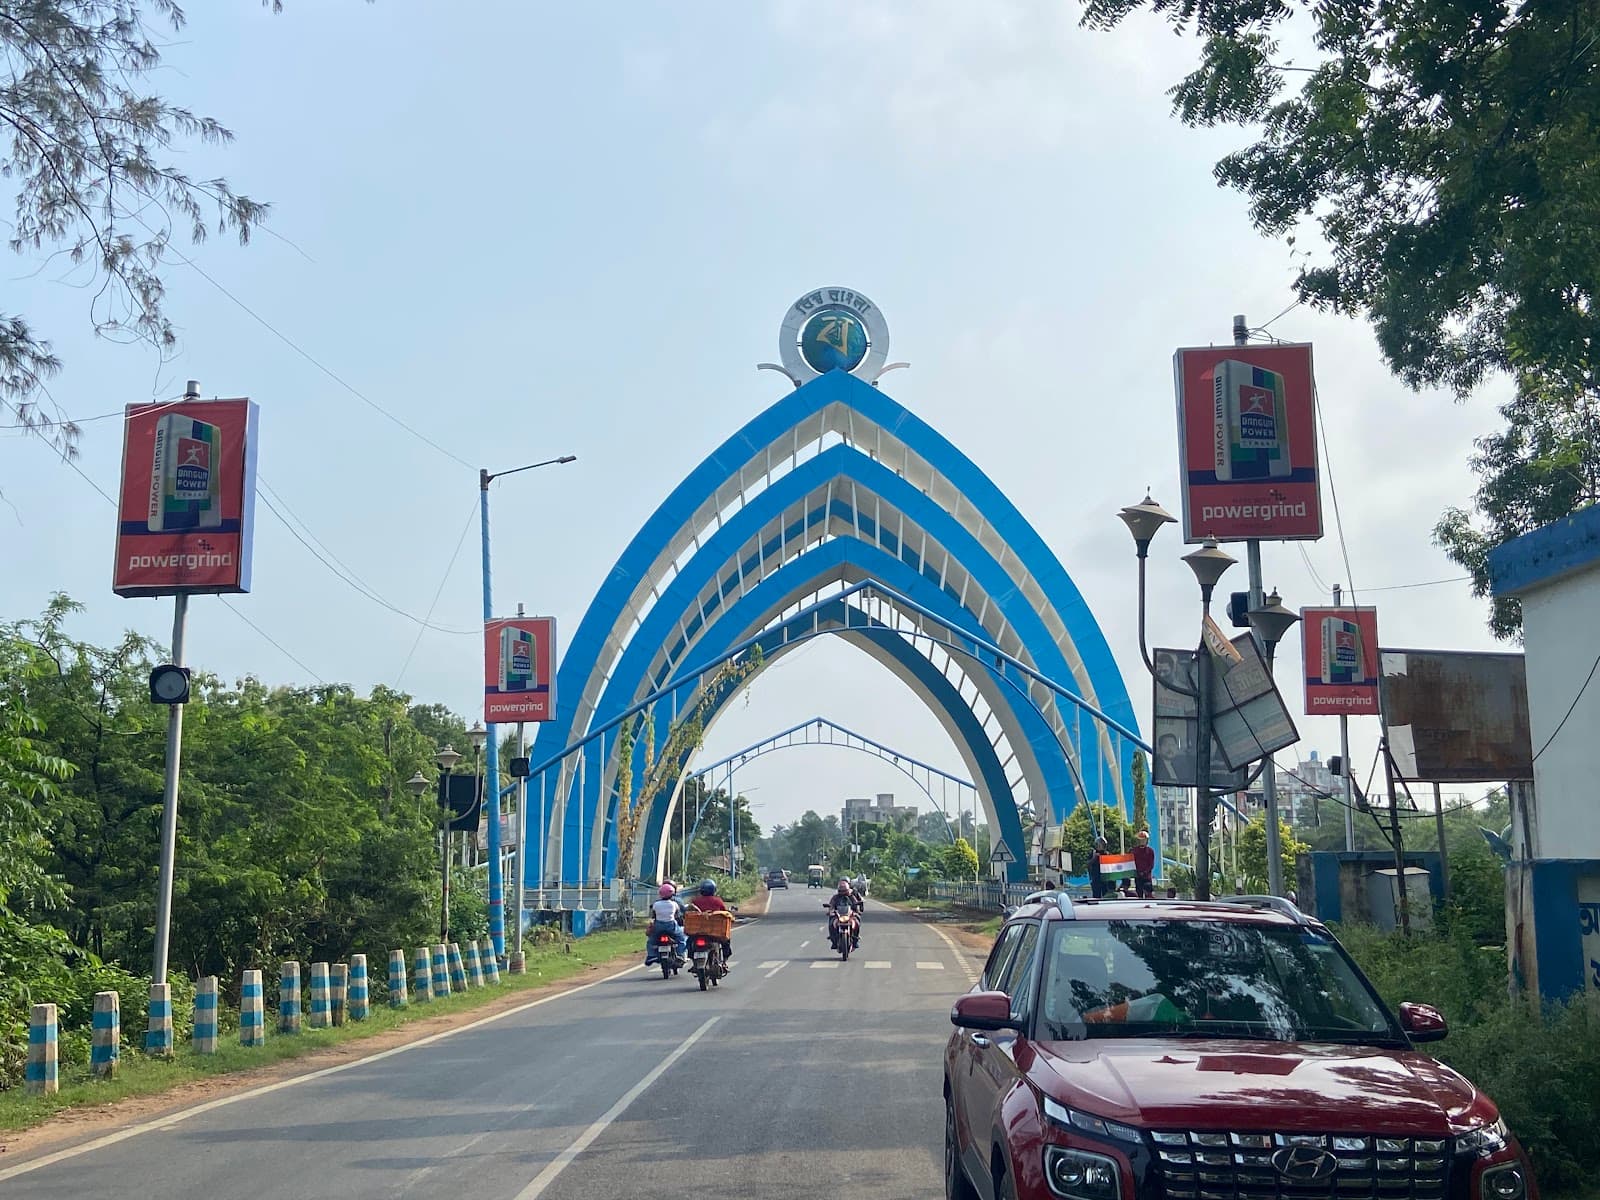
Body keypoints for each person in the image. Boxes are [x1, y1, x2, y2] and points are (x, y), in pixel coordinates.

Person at [686, 878, 733, 965]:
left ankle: (693, 960)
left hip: (697, 931)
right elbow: (724, 912)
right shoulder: (717, 901)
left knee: (689, 942)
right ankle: (725, 960)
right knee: (726, 941)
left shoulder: (695, 901)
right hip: (714, 932)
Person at [647, 881, 687, 961]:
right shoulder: (674, 903)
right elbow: (677, 913)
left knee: (651, 941)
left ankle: (651, 955)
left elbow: (653, 914)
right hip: (671, 926)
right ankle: (680, 954)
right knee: (681, 938)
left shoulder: (656, 904)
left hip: (658, 927)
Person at [826, 879, 861, 948]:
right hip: (838, 915)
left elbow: (856, 904)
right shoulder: (835, 897)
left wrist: (857, 911)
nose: (843, 893)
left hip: (849, 915)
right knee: (831, 923)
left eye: (844, 891)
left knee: (857, 922)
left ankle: (855, 940)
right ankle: (834, 940)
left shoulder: (851, 897)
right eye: (841, 891)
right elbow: (831, 904)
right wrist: (830, 911)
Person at [1132, 829, 1156, 899]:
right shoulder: (1134, 851)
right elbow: (1132, 863)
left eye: (1144, 840)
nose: (1142, 841)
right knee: (1139, 895)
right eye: (1141, 840)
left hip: (1147, 877)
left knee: (1148, 895)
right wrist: (1137, 872)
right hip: (1138, 876)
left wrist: (1145, 872)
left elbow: (1151, 864)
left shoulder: (1150, 851)